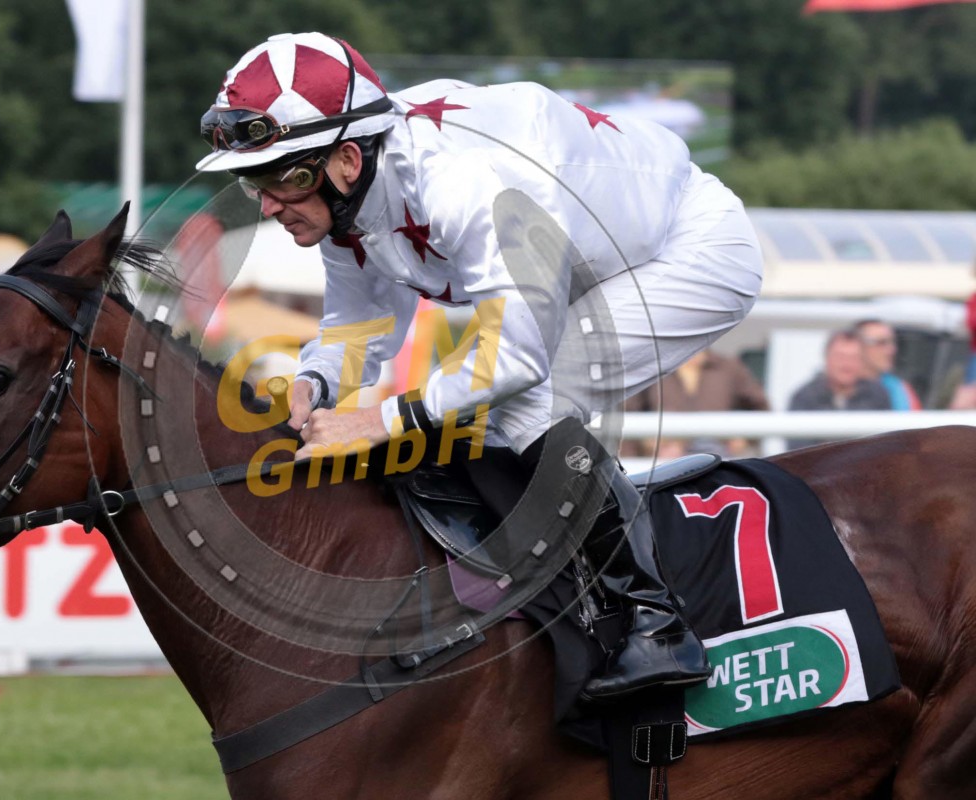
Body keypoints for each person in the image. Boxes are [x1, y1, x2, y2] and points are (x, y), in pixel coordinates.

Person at [197, 33, 764, 698]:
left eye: (284, 178)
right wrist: (313, 382)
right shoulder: (347, 189)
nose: (269, 204)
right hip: (591, 262)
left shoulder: (463, 184)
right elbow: (360, 325)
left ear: (346, 158)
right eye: (254, 182)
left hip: (689, 249)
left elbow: (516, 358)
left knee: (525, 402)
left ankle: (656, 622)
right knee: (474, 419)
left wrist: (377, 421)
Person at [624, 349, 769, 459]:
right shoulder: (653, 367)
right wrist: (645, 444)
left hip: (718, 451)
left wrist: (744, 439)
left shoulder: (729, 367)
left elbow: (760, 407)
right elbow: (626, 412)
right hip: (665, 454)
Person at [787, 330, 890, 449]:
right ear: (827, 358)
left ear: (863, 361)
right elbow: (798, 451)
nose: (847, 364)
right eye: (840, 356)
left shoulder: (877, 394)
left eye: (854, 357)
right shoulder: (805, 397)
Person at [853, 319, 920, 411]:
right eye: (881, 343)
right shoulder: (840, 386)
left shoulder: (902, 390)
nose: (891, 350)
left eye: (892, 342)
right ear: (857, 346)